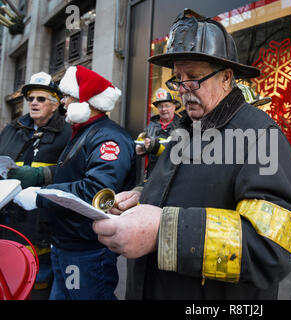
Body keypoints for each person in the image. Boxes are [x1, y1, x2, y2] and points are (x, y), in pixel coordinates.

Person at [92, 9, 291, 300]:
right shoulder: (188, 128)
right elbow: (192, 190)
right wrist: (145, 195)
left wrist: (162, 232)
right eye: (178, 78)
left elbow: (273, 247)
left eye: (193, 78)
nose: (182, 90)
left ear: (227, 78)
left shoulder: (260, 134)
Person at [13, 65, 136, 300]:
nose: (64, 103)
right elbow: (71, 174)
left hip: (87, 248)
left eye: (68, 96)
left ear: (85, 102)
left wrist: (41, 195)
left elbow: (97, 190)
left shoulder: (108, 137)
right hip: (68, 243)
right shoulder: (84, 132)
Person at [0, 71, 72, 298]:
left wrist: (41, 175)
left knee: (39, 279)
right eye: (31, 98)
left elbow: (75, 171)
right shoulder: (12, 129)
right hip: (9, 217)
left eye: (41, 99)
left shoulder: (69, 132)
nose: (33, 103)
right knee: (9, 274)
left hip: (44, 221)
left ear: (54, 104)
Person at [136, 88, 181, 180]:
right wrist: (141, 150)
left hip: (173, 174)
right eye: (160, 106)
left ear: (174, 107)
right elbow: (143, 148)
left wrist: (155, 146)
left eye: (167, 105)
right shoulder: (150, 126)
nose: (164, 109)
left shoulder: (182, 125)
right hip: (153, 174)